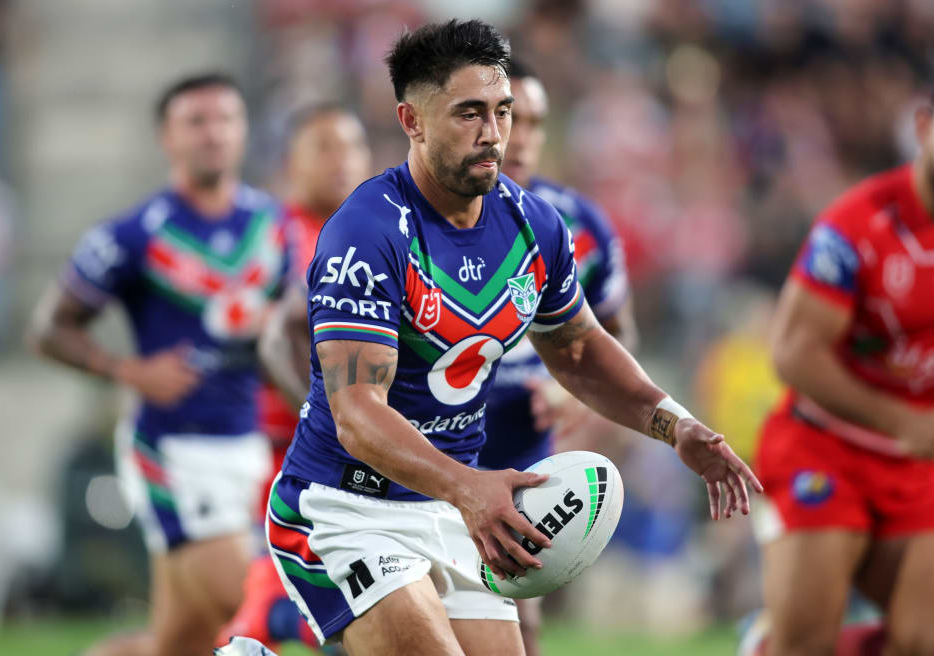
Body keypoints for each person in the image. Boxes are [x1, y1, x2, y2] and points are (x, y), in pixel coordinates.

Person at [263, 19, 760, 656]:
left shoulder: (535, 225)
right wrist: (470, 490)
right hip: (343, 509)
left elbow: (579, 348)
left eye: (501, 112)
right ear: (411, 120)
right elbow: (358, 417)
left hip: (450, 506)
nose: (494, 134)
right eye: (468, 114)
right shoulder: (367, 231)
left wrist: (674, 425)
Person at [749, 65, 934, 656]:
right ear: (925, 127)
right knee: (806, 645)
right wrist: (902, 420)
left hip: (918, 468)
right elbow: (792, 353)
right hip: (823, 449)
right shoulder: (856, 225)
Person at [27, 73, 291, 656]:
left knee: (176, 646)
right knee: (264, 609)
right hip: (170, 452)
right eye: (195, 121)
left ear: (244, 132)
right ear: (166, 138)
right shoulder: (133, 233)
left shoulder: (272, 226)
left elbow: (289, 334)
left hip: (245, 445)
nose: (212, 134)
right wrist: (127, 371)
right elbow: (48, 330)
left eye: (225, 119)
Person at [474, 57, 636, 656]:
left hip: (524, 459)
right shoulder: (415, 217)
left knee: (520, 632)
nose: (521, 138)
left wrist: (573, 390)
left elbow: (618, 336)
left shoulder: (578, 226)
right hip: (426, 459)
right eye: (508, 117)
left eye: (533, 121)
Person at [217, 103, 371, 653]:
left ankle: (258, 625)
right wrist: (325, 410)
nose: (341, 160)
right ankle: (264, 623)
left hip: (356, 446)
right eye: (323, 147)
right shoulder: (275, 234)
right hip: (286, 445)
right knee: (329, 587)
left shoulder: (374, 230)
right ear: (290, 163)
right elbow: (261, 336)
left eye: (350, 146)